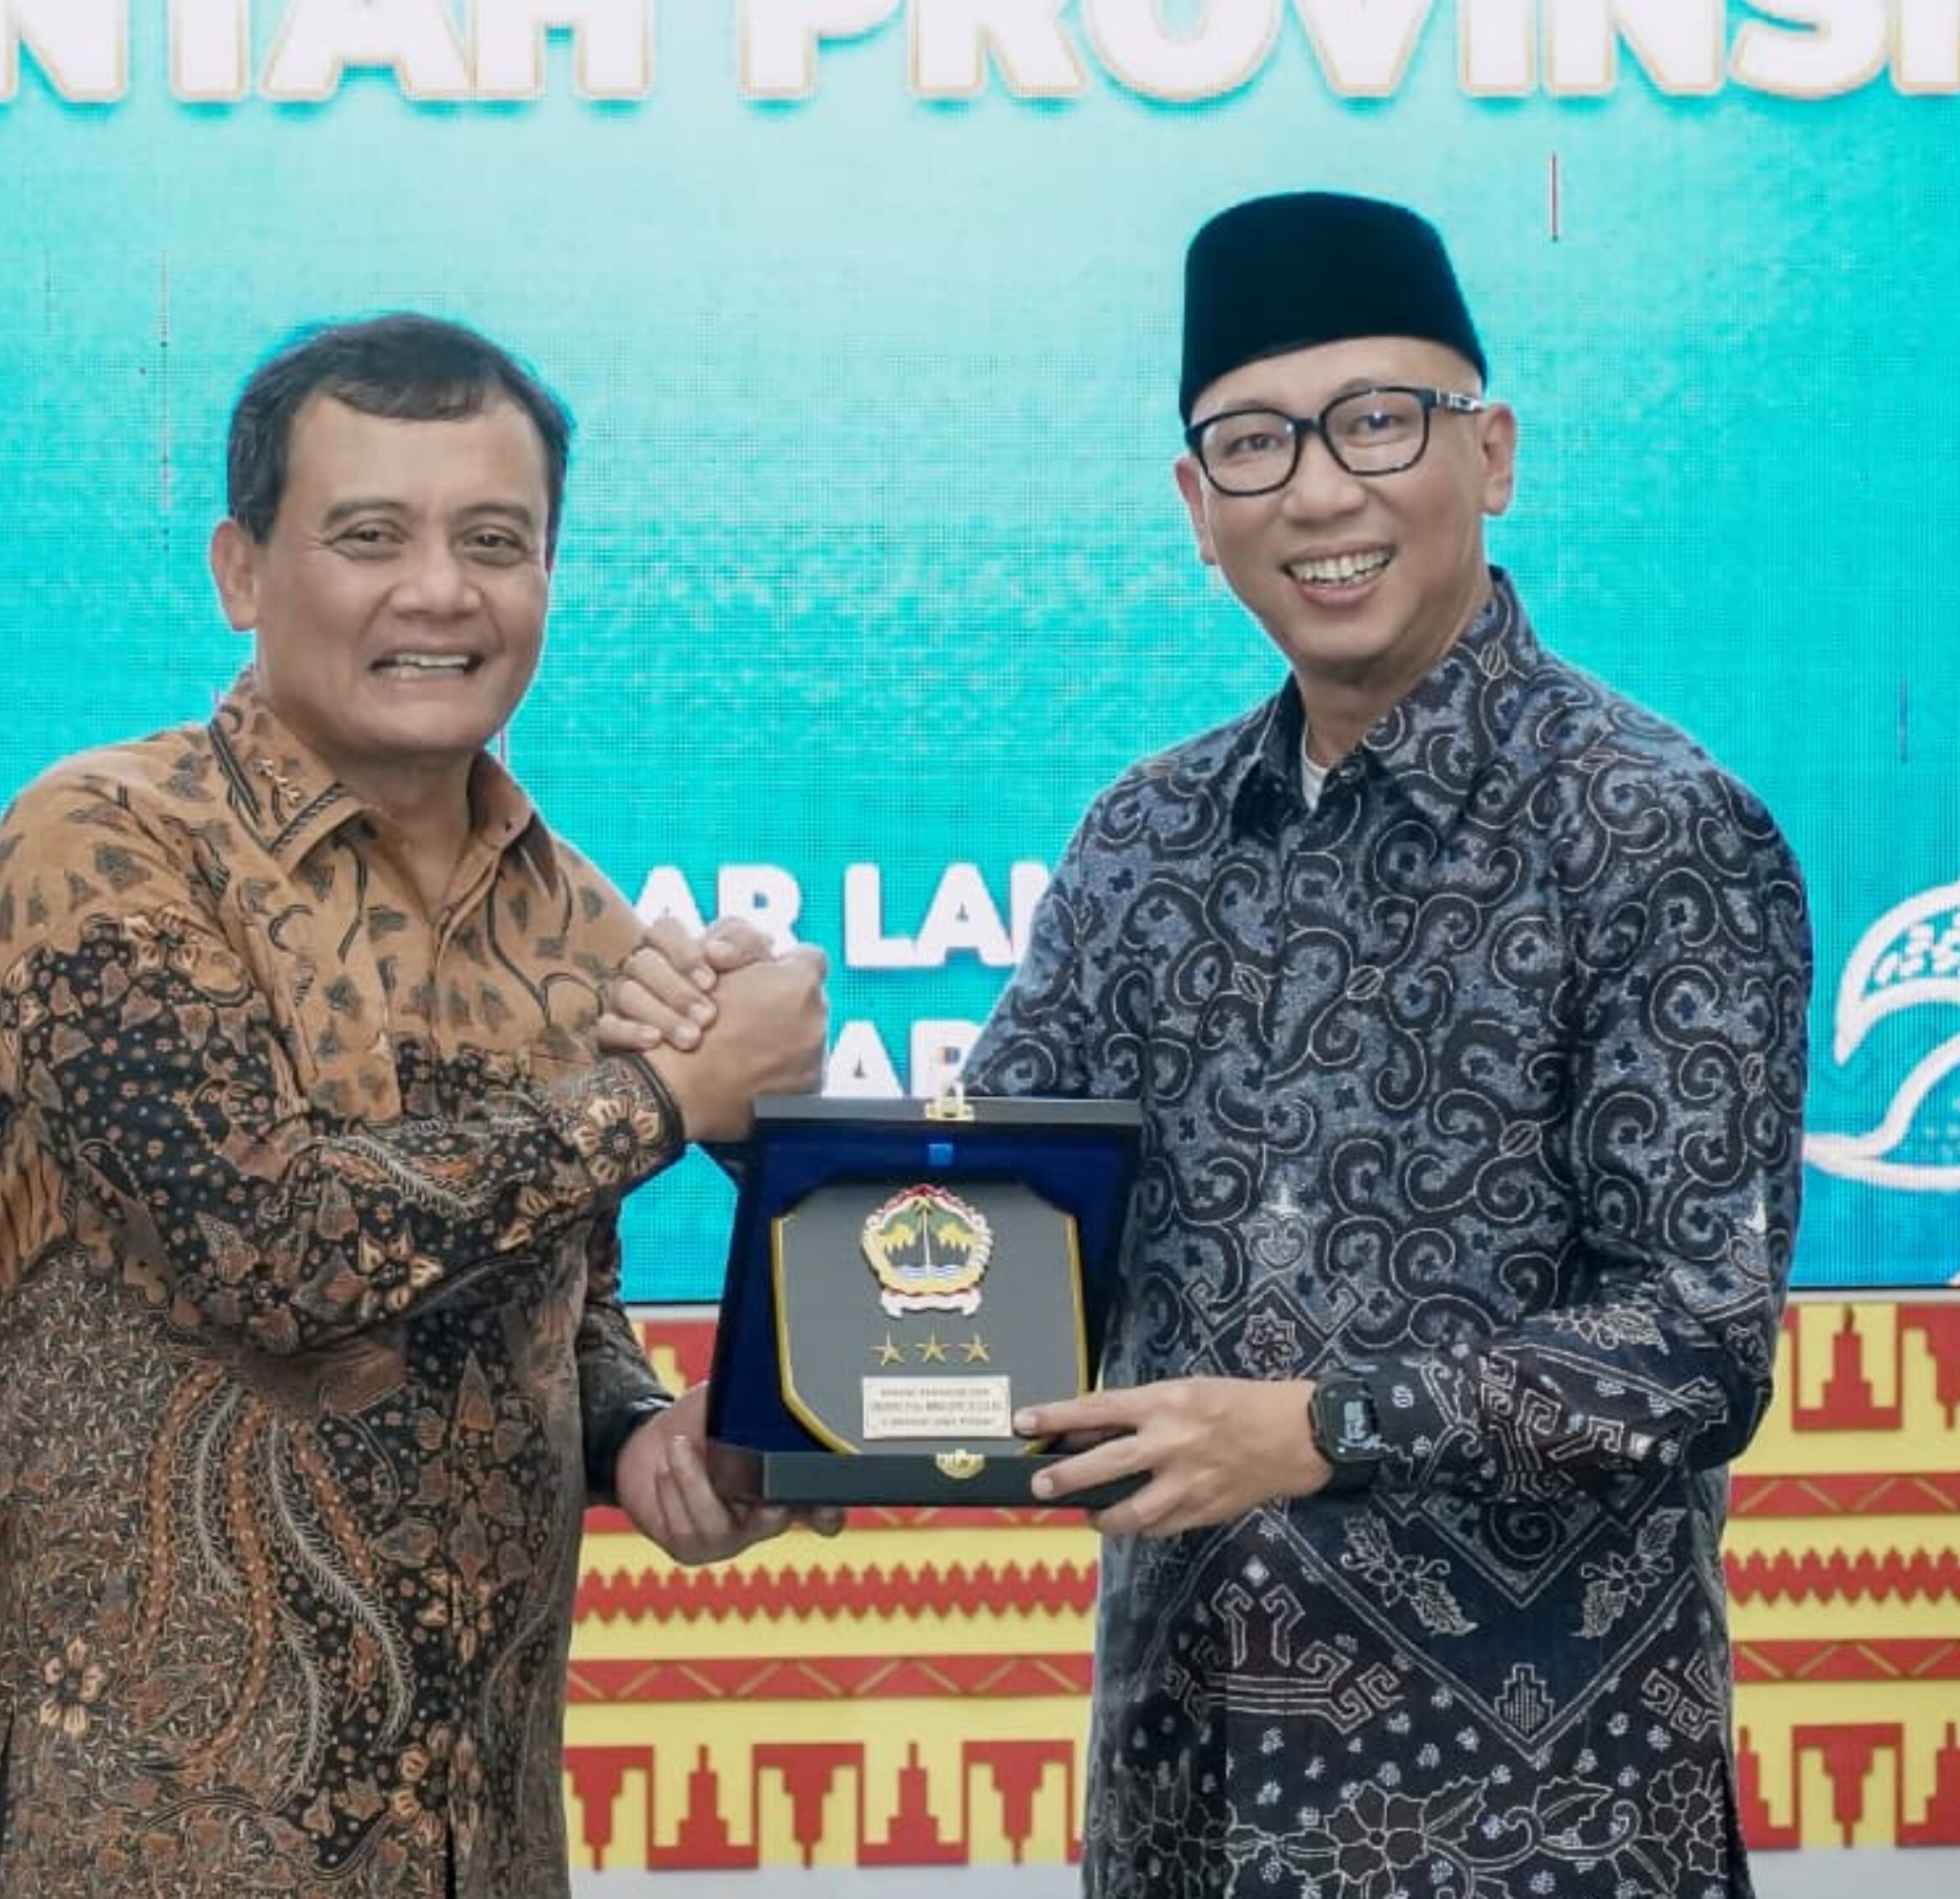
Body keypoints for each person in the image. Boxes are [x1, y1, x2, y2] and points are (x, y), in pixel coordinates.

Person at [619, 192, 1811, 1896]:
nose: (1318, 492)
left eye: (1377, 421)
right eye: (1254, 443)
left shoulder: (1652, 829)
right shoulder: (1147, 839)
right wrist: (756, 1131)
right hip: (1187, 1806)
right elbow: (994, 1229)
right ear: (1197, 505)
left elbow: (1696, 1341)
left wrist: (1317, 1426)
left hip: (1538, 1830)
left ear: (1489, 455)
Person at [0, 312, 831, 1899]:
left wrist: (648, 1438)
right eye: (368, 536)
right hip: (142, 1842)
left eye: (495, 541)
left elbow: (560, 1303)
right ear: (241, 570)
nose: (439, 591)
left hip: (485, 1841)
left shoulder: (575, 921)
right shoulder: (103, 843)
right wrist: (671, 1096)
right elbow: (272, 1250)